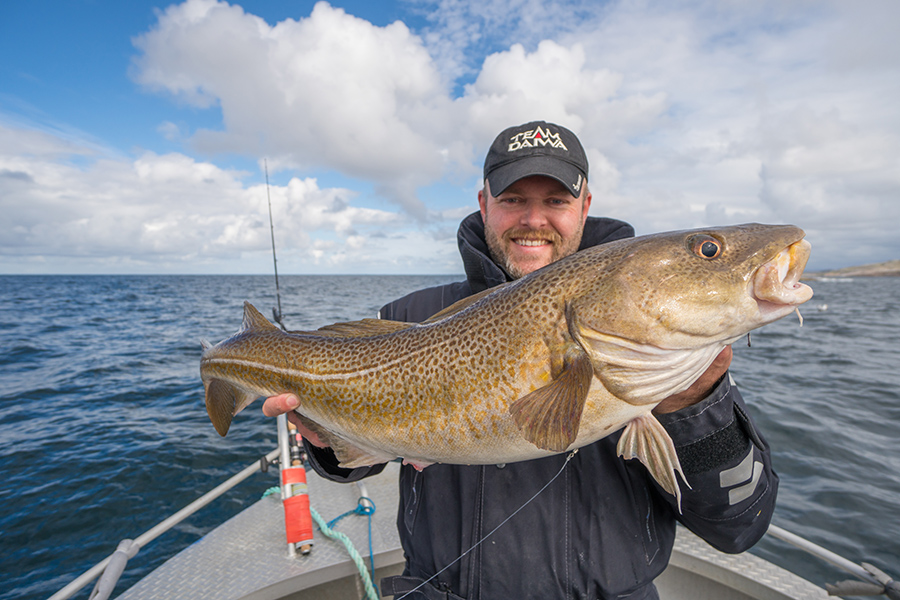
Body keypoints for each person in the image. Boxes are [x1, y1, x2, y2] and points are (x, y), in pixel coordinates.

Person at [263, 121, 778, 600]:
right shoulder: (408, 316)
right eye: (513, 200)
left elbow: (737, 526)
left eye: (556, 199)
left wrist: (693, 406)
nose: (534, 220)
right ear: (484, 205)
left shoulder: (676, 348)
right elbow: (352, 461)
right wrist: (328, 442)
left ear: (585, 206)